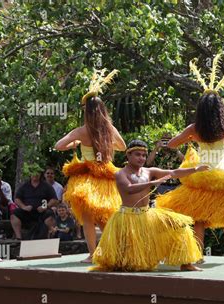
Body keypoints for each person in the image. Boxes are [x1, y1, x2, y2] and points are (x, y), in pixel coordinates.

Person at [156, 54, 224, 264]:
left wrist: (189, 138)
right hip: (221, 177)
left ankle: (199, 256)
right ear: (220, 109)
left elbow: (171, 144)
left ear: (200, 109)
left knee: (199, 219)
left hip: (200, 175)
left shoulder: (194, 129)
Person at [92, 140, 208, 272]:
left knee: (180, 224)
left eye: (143, 155)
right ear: (128, 155)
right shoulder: (120, 174)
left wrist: (195, 169)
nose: (141, 158)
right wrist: (153, 182)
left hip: (147, 214)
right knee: (130, 263)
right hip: (127, 218)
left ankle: (186, 263)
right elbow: (129, 188)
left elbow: (174, 172)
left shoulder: (149, 171)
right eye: (137, 154)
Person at [55, 69, 126, 263]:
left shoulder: (80, 131)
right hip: (106, 176)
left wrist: (76, 143)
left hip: (86, 178)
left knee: (88, 218)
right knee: (104, 217)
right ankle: (111, 252)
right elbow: (123, 146)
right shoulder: (109, 129)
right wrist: (107, 143)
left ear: (86, 112)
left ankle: (93, 255)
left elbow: (58, 146)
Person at [11, 168, 58, 240]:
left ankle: (50, 236)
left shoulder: (46, 186)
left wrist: (45, 206)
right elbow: (17, 199)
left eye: (37, 173)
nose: (35, 175)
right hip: (27, 211)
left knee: (50, 215)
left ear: (40, 174)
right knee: (14, 214)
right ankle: (18, 237)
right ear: (30, 174)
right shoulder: (24, 186)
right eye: (33, 173)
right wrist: (24, 207)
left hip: (42, 211)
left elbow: (54, 199)